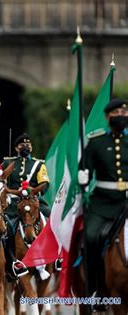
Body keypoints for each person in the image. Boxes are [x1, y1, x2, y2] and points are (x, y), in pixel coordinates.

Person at [78, 99, 128, 309]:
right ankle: (95, 289)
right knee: (90, 237)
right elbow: (85, 168)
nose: (121, 115)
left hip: (127, 201)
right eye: (116, 112)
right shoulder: (96, 142)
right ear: (108, 117)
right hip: (102, 202)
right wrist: (82, 176)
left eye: (124, 111)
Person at [2, 133, 50, 279]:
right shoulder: (8, 162)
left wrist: (32, 191)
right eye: (22, 144)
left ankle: (56, 258)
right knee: (4, 227)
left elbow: (45, 183)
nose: (26, 146)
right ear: (17, 147)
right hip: (14, 204)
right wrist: (11, 191)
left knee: (52, 218)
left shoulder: (39, 164)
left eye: (28, 144)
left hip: (34, 202)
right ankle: (8, 260)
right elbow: (2, 182)